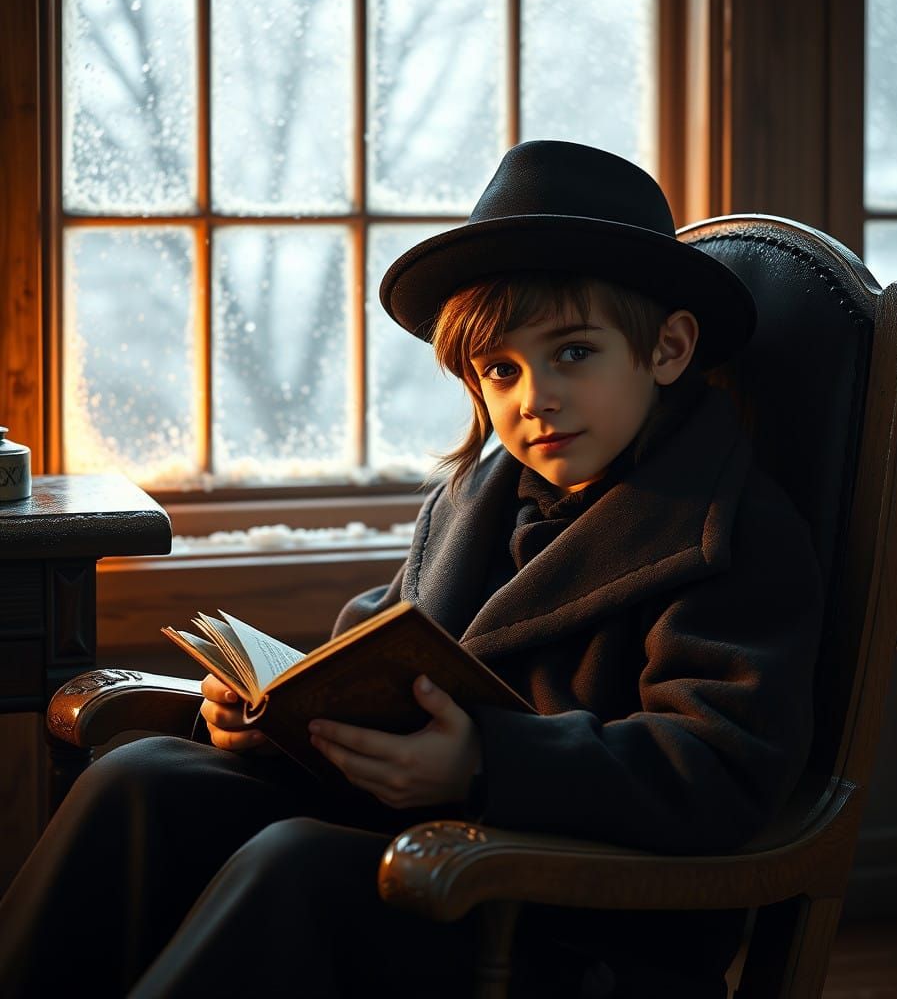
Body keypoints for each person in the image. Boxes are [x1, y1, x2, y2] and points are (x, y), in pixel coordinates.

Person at [0, 140, 823, 998]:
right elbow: (375, 653)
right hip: (423, 833)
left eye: (573, 353)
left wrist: (488, 762)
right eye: (500, 369)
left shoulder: (731, 532)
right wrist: (275, 714)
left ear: (668, 349)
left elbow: (721, 770)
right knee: (143, 779)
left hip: (568, 912)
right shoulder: (472, 499)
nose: (532, 398)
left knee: (300, 863)